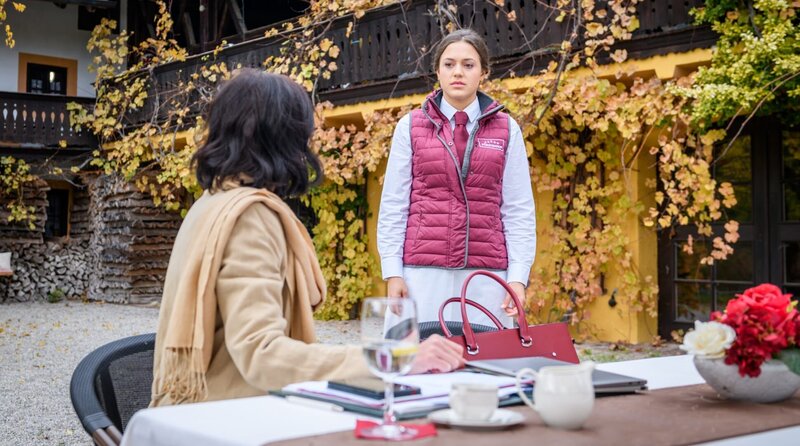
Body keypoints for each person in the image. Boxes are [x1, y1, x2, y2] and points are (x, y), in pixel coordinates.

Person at [150, 69, 464, 407]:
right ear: (283, 137)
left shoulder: (211, 203)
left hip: (200, 404)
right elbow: (261, 354)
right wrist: (389, 359)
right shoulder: (250, 218)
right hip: (231, 413)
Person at [377, 29, 536, 327]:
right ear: (437, 71)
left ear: (483, 72)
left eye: (468, 64)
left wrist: (517, 278)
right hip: (421, 274)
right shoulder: (409, 127)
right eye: (449, 65)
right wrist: (393, 272)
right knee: (416, 364)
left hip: (487, 277)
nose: (458, 73)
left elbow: (518, 209)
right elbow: (394, 206)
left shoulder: (507, 129)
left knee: (486, 366)